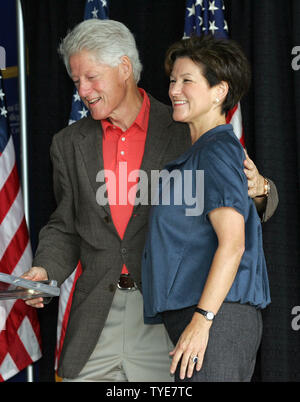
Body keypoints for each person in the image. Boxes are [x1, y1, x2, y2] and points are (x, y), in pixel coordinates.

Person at [23, 20, 278, 382]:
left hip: (169, 316)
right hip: (96, 318)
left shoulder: (187, 125)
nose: (82, 89)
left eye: (91, 77)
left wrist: (263, 188)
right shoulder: (67, 143)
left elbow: (244, 196)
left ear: (124, 68)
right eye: (76, 80)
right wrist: (45, 270)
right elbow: (66, 225)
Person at [141, 34, 273, 382]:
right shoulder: (203, 150)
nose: (174, 91)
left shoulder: (215, 151)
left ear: (220, 91)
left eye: (187, 81)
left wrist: (203, 320)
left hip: (217, 319)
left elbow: (234, 243)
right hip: (206, 317)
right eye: (172, 81)